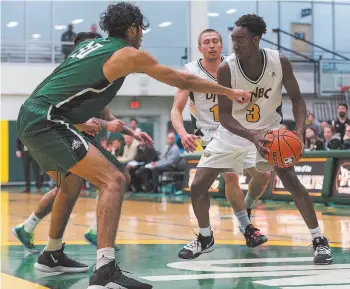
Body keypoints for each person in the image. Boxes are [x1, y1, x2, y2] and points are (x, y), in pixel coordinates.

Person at [16, 3, 251, 289]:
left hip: (32, 115)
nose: (142, 35)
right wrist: (229, 91)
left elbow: (69, 89)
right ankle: (104, 271)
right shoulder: (127, 53)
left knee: (74, 182)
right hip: (50, 119)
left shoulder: (90, 49)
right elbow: (181, 78)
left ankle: (51, 254)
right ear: (132, 29)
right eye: (141, 29)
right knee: (115, 179)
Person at [192, 14, 332, 265]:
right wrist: (250, 135)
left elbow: (298, 101)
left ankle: (318, 239)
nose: (234, 44)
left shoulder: (280, 62)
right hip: (234, 132)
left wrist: (299, 132)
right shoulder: (227, 68)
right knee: (198, 184)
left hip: (269, 131)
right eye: (233, 39)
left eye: (240, 40)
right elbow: (224, 115)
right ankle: (205, 237)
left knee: (291, 180)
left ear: (255, 40)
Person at [171, 29, 269, 259]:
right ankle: (246, 228)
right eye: (207, 42)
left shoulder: (236, 66)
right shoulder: (192, 72)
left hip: (239, 130)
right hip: (211, 134)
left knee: (263, 176)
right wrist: (183, 133)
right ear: (200, 48)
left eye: (215, 41)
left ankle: (246, 206)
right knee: (231, 176)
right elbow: (176, 109)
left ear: (222, 45)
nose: (212, 45)